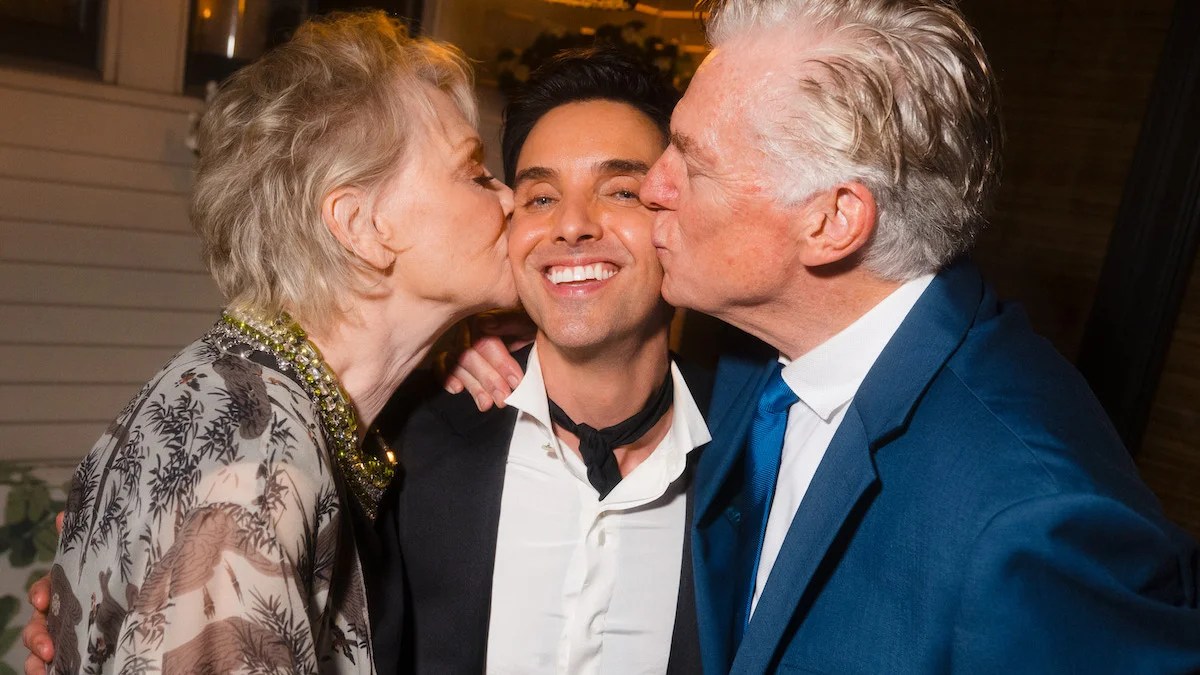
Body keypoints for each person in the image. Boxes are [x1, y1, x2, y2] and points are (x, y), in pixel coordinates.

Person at [442, 0, 1200, 672]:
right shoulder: (761, 353)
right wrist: (463, 329)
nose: (654, 186)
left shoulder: (1034, 520)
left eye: (693, 163)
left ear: (833, 221)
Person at [27, 11, 515, 674]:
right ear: (362, 226)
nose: (509, 199)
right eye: (475, 172)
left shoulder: (245, 395)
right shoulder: (249, 467)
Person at [369, 48, 711, 674]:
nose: (572, 226)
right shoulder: (411, 443)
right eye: (542, 198)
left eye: (621, 191)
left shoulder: (756, 453)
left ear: (677, 213)